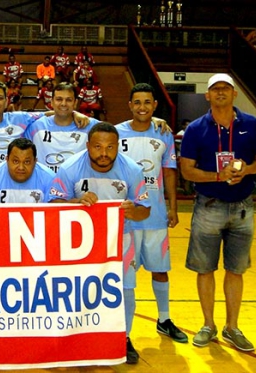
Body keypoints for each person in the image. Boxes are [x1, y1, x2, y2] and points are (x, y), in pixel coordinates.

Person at [48, 122, 151, 365]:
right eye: (97, 146)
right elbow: (52, 203)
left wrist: (131, 211)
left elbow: (145, 210)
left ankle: (124, 338)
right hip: (78, 243)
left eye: (110, 147)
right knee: (75, 289)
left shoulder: (133, 170)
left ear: (118, 147)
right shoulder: (70, 167)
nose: (103, 153)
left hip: (120, 240)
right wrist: (75, 202)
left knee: (125, 289)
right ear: (87, 146)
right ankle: (73, 337)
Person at [180, 73, 256, 352]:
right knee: (205, 269)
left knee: (236, 270)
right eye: (215, 89)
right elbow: (187, 170)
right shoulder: (195, 128)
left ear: (234, 94)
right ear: (207, 95)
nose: (220, 93)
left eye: (225, 89)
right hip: (209, 206)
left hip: (243, 207)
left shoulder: (251, 125)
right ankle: (208, 325)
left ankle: (232, 327)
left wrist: (246, 170)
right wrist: (219, 176)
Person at [115, 82, 187, 348]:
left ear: (155, 106)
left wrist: (173, 206)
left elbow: (169, 171)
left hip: (155, 216)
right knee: (127, 280)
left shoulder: (163, 134)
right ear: (130, 105)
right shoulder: (116, 132)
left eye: (148, 103)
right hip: (126, 218)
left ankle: (164, 319)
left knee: (160, 270)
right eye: (137, 102)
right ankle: (124, 333)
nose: (142, 107)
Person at [26, 82, 99, 173]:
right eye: (59, 99)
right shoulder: (36, 126)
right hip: (45, 185)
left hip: (76, 185)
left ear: (75, 103)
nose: (63, 104)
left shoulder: (90, 126)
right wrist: (75, 113)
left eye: (68, 100)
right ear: (51, 102)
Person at [0, 138, 55, 203]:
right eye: (16, 161)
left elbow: (53, 215)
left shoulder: (50, 179)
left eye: (27, 162)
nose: (21, 167)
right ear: (7, 160)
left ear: (35, 161)